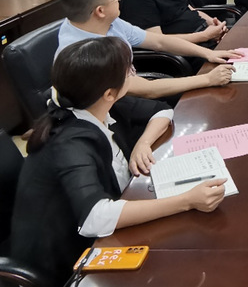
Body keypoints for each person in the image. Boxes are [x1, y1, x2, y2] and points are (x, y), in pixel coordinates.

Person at [10, 37, 227, 285]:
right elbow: (95, 217)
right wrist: (186, 200)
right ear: (109, 93)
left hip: (107, 226)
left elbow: (162, 110)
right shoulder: (69, 143)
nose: (133, 75)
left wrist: (143, 143)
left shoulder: (97, 104)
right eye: (128, 71)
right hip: (66, 263)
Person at [57, 0, 240, 100]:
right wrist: (207, 79)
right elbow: (147, 90)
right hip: (117, 106)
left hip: (129, 91)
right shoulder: (83, 53)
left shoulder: (109, 21)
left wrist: (208, 53)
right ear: (100, 11)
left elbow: (159, 42)